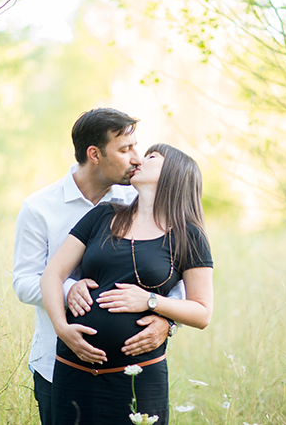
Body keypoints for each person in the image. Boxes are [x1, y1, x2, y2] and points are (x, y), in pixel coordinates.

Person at [12, 108, 185, 425]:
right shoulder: (39, 208)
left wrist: (168, 322)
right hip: (56, 363)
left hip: (133, 372)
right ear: (94, 154)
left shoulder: (140, 199)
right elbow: (24, 281)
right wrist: (67, 289)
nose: (136, 158)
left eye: (135, 147)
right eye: (124, 150)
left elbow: (175, 276)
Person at [40, 144, 214, 425]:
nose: (138, 160)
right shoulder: (103, 215)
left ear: (174, 173)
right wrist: (62, 329)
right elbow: (51, 274)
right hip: (74, 369)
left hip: (139, 377)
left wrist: (150, 301)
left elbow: (202, 312)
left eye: (151, 157)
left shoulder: (188, 235)